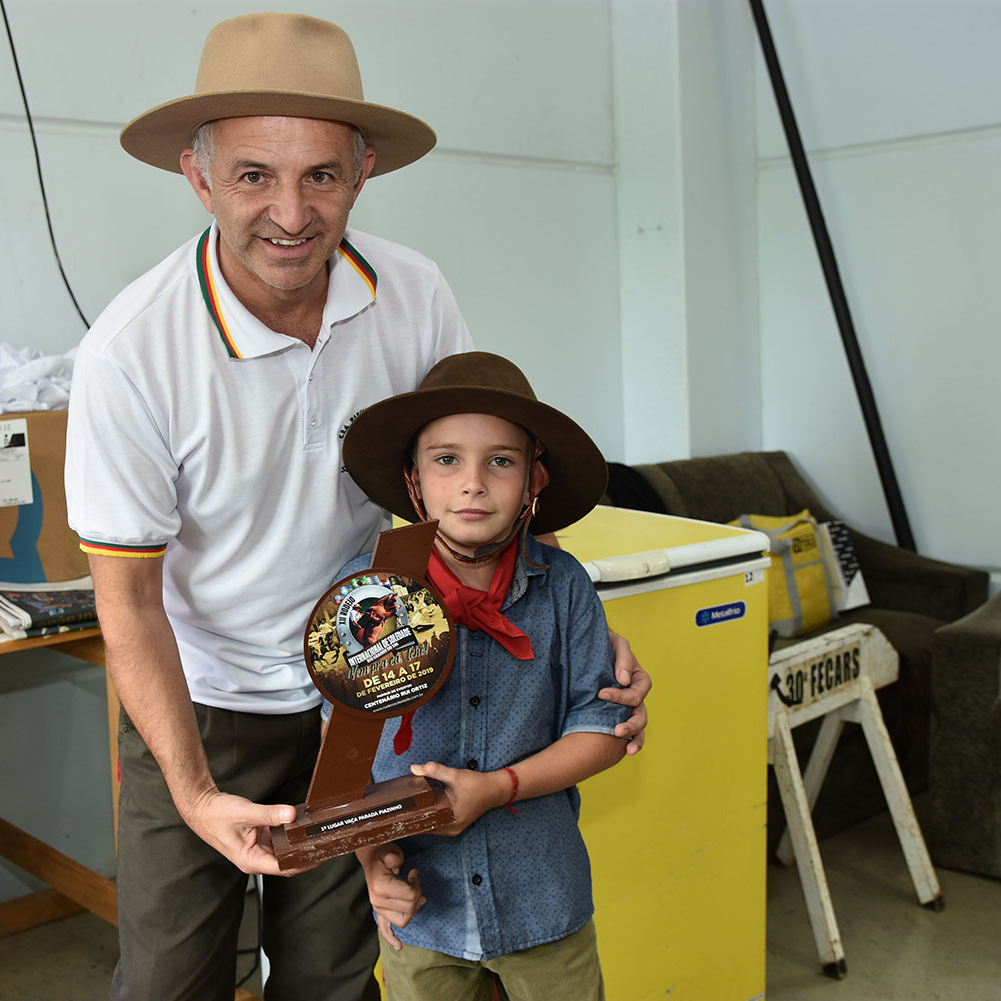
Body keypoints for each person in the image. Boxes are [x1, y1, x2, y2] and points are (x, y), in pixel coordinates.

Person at [63, 13, 651, 1001]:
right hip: (204, 703)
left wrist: (572, 634)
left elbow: (474, 486)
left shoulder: (413, 293)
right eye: (254, 174)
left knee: (335, 976)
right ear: (198, 177)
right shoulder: (132, 353)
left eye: (320, 175)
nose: (290, 211)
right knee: (170, 978)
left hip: (372, 689)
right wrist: (198, 793)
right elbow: (127, 603)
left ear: (363, 169)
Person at [333, 351, 626, 1000]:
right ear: (413, 479)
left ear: (534, 480)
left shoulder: (564, 588)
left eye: (500, 460)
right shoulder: (366, 597)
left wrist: (497, 786)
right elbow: (345, 759)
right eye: (446, 459)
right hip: (423, 911)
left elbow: (604, 727)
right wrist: (371, 861)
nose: (472, 482)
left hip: (544, 900)